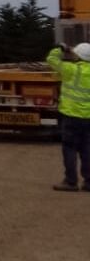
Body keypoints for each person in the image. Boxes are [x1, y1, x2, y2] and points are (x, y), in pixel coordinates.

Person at [46, 42, 90, 191]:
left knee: (69, 148)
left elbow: (51, 59)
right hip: (88, 117)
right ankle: (89, 182)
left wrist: (61, 48)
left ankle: (71, 182)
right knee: (87, 148)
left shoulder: (70, 69)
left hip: (71, 116)